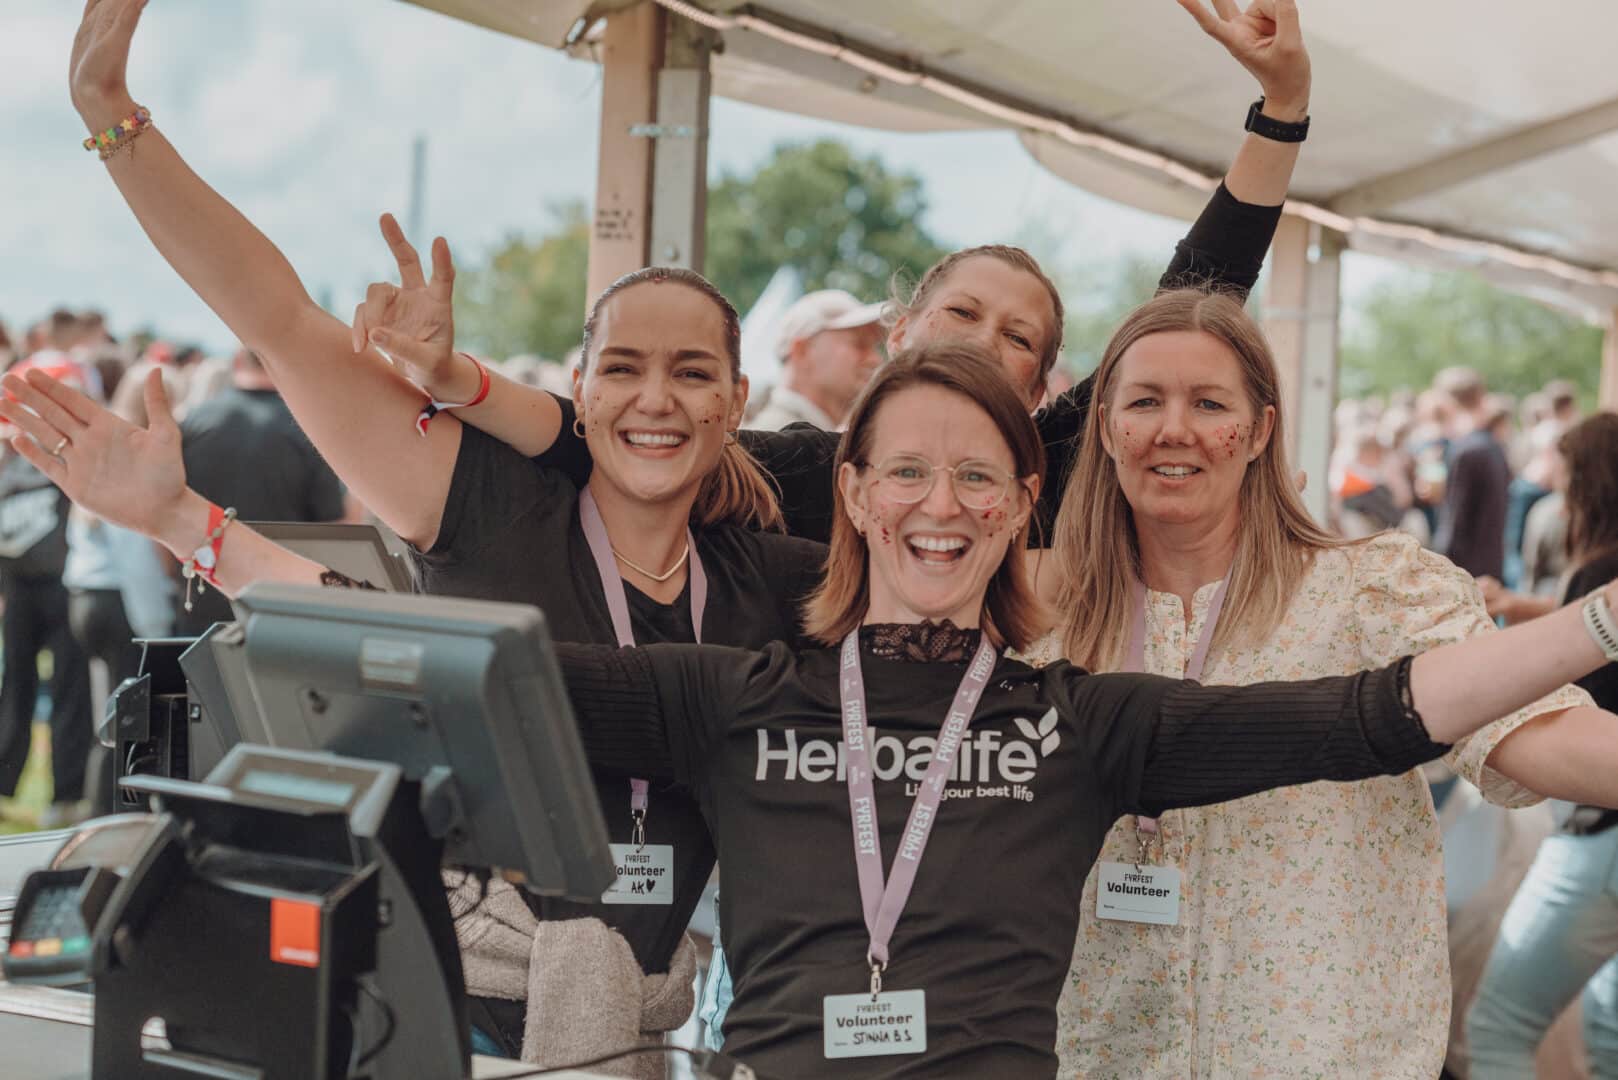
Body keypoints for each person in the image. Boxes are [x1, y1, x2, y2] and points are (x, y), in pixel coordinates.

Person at [19, 335, 1618, 1079]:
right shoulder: (730, 693)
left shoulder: (1086, 718)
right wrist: (183, 524)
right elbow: (434, 652)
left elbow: (1378, 713)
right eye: (903, 471)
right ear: (850, 496)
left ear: (1020, 507)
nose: (939, 503)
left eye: (975, 478)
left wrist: (1598, 619)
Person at [1033, 289, 1615, 1078]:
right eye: (1144, 402)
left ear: (1261, 430)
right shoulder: (1046, 628)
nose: (1174, 429)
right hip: (1104, 1057)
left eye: (1209, 403)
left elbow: (1532, 734)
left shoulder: (1372, 591)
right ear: (1106, 428)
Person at [1467, 411, 1618, 1078]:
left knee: (1497, 1028)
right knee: (1608, 1029)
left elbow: (1577, 689)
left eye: (1568, 475)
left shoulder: (1602, 571)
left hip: (1601, 836)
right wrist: (1517, 605)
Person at [172, 346, 351, 634]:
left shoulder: (194, 420)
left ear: (237, 361)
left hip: (201, 601)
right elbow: (337, 533)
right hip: (282, 612)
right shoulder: (308, 429)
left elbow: (167, 508)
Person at [749, 289, 886, 431]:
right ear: (802, 351)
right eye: (860, 344)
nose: (876, 359)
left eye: (875, 347)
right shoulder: (781, 437)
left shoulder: (792, 434)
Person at [1432, 365, 1513, 580]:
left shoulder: (1467, 450)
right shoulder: (1493, 446)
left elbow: (1454, 525)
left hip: (1467, 572)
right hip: (1490, 566)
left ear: (1448, 401)